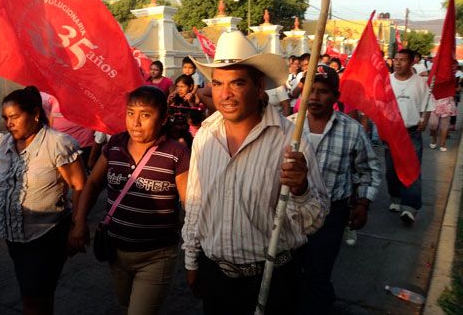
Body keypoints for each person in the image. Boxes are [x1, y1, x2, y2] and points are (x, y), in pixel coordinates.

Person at [181, 31, 329, 315]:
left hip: (273, 279)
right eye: (217, 83)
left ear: (259, 86)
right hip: (216, 278)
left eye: (237, 83)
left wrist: (300, 189)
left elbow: (313, 222)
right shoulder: (205, 136)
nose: (224, 94)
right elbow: (197, 204)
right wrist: (191, 260)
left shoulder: (291, 142)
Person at [0, 86, 86, 315]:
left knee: (34, 301)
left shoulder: (57, 144)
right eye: (6, 118)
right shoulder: (4, 144)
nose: (9, 123)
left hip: (46, 236)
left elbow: (79, 186)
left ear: (35, 113)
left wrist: (78, 226)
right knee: (36, 296)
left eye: (15, 117)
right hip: (13, 236)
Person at [68, 86, 190, 315]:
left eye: (145, 115)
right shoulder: (115, 145)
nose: (135, 122)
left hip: (157, 255)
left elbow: (189, 204)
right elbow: (93, 183)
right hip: (116, 251)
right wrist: (80, 220)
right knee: (126, 305)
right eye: (130, 113)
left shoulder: (176, 153)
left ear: (163, 118)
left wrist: (195, 253)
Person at [290, 65, 381, 314]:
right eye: (310, 90)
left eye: (323, 91)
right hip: (291, 214)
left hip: (331, 215)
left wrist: (363, 203)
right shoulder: (287, 128)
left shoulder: (351, 130)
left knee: (319, 269)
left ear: (336, 96)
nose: (315, 97)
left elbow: (369, 171)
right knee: (291, 269)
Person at [387, 49, 434, 224]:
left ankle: (410, 207)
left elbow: (428, 104)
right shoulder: (387, 81)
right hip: (392, 133)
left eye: (402, 60)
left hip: (412, 132)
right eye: (395, 60)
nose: (397, 63)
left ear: (412, 62)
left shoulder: (420, 83)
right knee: (391, 170)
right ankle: (396, 197)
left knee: (412, 170)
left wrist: (424, 120)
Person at [40, 91, 95, 167]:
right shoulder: (53, 97)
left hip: (83, 145)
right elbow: (51, 118)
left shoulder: (86, 96)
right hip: (61, 146)